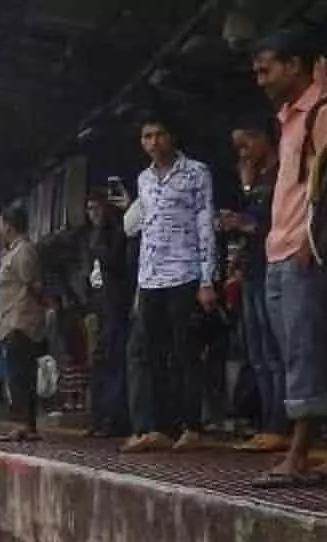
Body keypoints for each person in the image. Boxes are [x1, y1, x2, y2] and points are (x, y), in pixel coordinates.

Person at [251, 28, 327, 487]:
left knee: (303, 352)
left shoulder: (326, 112)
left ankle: (298, 454)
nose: (260, 79)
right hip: (280, 250)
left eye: (266, 68)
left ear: (294, 64)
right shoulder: (289, 120)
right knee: (311, 350)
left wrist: (312, 245)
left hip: (302, 251)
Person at [120, 114, 218, 454]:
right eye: (146, 136)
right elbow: (145, 232)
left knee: (186, 352)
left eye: (159, 134)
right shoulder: (143, 179)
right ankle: (158, 427)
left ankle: (191, 426)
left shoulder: (196, 172)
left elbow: (205, 225)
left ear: (172, 136)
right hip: (150, 279)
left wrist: (207, 278)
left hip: (185, 273)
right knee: (151, 353)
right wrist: (138, 288)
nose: (153, 142)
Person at [220, 118, 287, 452]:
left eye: (245, 144)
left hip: (273, 267)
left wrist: (241, 220)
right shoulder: (257, 178)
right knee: (258, 352)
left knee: (275, 352)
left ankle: (280, 423)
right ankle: (266, 422)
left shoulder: (281, 174)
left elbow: (270, 222)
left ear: (262, 138)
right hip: (252, 271)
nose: (242, 153)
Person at [0, 204, 47, 442]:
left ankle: (24, 424)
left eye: (1, 223)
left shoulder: (24, 251)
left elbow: (34, 284)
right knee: (18, 374)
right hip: (10, 322)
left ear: (9, 225)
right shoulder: (12, 252)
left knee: (20, 375)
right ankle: (25, 424)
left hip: (20, 322)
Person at [82, 189, 133, 437]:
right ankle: (98, 417)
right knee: (99, 359)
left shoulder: (115, 233)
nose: (94, 214)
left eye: (98, 208)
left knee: (114, 358)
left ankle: (114, 417)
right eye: (90, 209)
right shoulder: (92, 236)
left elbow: (115, 260)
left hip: (114, 302)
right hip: (98, 302)